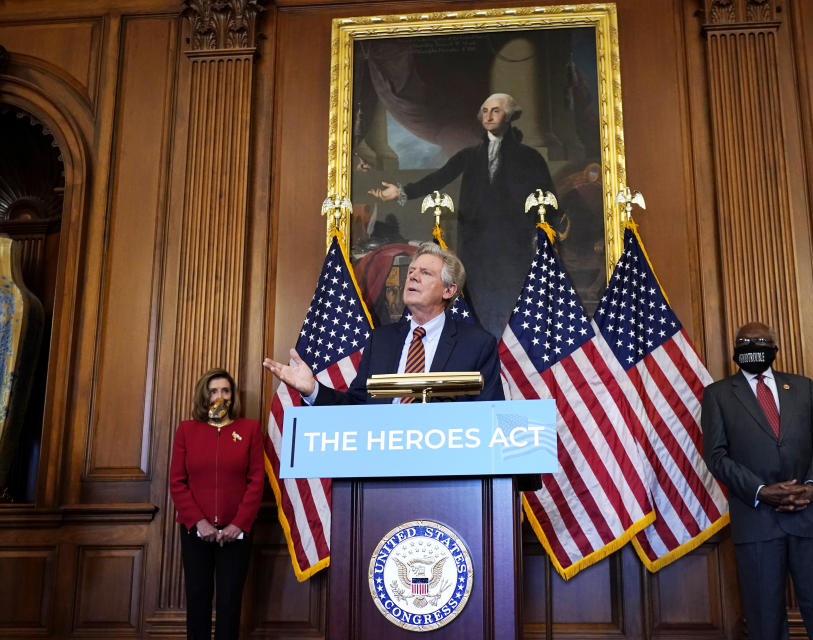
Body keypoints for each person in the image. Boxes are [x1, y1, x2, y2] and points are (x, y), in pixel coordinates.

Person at [701, 322, 813, 640]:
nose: (753, 346)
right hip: (756, 523)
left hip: (808, 517)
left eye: (761, 341)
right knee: (764, 621)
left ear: (775, 348)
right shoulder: (718, 395)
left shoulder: (803, 388)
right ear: (735, 350)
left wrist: (812, 487)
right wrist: (761, 491)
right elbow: (717, 457)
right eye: (745, 342)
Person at [370, 93, 554, 332]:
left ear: (508, 117)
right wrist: (402, 191)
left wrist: (543, 236)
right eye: (485, 111)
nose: (488, 116)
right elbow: (440, 177)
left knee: (512, 307)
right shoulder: (471, 156)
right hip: (476, 248)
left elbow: (547, 198)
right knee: (479, 306)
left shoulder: (530, 158)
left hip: (513, 248)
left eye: (496, 111)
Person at [263, 242, 504, 404]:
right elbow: (357, 407)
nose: (412, 276)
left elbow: (490, 415)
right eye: (411, 271)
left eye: (425, 273)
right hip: (383, 469)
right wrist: (312, 389)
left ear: (449, 290)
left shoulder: (476, 345)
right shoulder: (382, 341)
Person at [169, 368, 265, 640]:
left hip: (236, 533)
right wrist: (199, 522)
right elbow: (177, 481)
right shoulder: (187, 430)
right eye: (213, 391)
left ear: (232, 396)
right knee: (197, 599)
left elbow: (256, 481)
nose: (219, 396)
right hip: (195, 531)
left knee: (230, 602)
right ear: (205, 395)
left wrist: (238, 524)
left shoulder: (249, 430)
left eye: (225, 390)